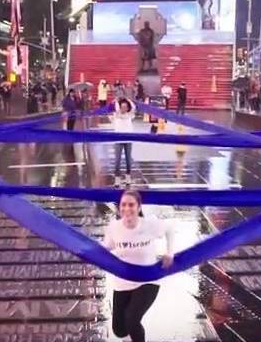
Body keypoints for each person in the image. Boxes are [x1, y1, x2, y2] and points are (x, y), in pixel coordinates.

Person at [103, 189, 175, 342]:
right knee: (120, 330)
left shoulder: (150, 224)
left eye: (131, 205)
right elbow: (105, 248)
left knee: (132, 320)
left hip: (148, 280)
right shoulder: (113, 227)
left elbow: (170, 228)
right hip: (123, 282)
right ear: (119, 208)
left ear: (139, 207)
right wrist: (82, 248)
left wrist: (170, 252)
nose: (127, 209)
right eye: (123, 205)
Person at [112, 99, 136, 186]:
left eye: (125, 107)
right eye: (122, 107)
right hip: (118, 140)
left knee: (128, 160)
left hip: (128, 140)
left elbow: (133, 107)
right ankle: (117, 178)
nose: (123, 108)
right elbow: (116, 106)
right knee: (117, 160)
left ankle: (128, 177)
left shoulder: (130, 115)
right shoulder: (116, 115)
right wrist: (117, 101)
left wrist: (128, 99)